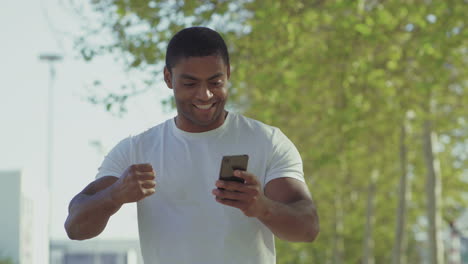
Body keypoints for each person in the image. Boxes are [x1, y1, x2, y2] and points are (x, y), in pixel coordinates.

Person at [65, 26, 319, 264]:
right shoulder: (136, 150)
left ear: (228, 74)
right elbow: (75, 227)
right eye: (190, 83)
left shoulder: (268, 142)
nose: (205, 94)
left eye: (215, 82)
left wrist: (264, 207)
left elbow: (308, 227)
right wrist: (115, 194)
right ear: (168, 78)